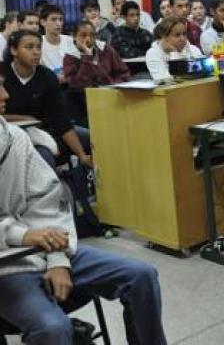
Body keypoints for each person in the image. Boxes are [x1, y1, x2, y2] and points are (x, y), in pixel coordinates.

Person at [0, 76, 168, 345]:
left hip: (47, 249)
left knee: (141, 276)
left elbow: (47, 200)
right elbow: (26, 232)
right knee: (53, 328)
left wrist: (57, 259)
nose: (5, 95)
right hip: (7, 266)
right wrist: (23, 235)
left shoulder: (14, 138)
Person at [1, 30, 92, 168]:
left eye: (39, 47)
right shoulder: (2, 73)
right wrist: (23, 118)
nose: (36, 52)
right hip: (9, 132)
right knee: (44, 156)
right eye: (29, 47)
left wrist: (82, 156)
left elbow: (60, 119)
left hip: (46, 128)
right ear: (14, 50)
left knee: (95, 139)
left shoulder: (47, 77)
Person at [63, 21, 130, 88]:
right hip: (84, 93)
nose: (88, 39)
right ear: (74, 37)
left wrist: (114, 85)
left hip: (109, 90)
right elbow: (77, 85)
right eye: (83, 35)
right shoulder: (70, 57)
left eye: (92, 35)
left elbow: (123, 72)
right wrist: (87, 56)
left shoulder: (105, 49)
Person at [146, 17, 203, 83]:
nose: (182, 38)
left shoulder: (194, 49)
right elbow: (165, 80)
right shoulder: (153, 54)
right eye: (177, 35)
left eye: (184, 34)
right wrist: (174, 52)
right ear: (164, 37)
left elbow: (203, 74)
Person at [38, 4, 74, 80]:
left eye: (61, 19)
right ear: (43, 22)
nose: (58, 23)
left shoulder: (71, 41)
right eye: (53, 19)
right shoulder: (38, 43)